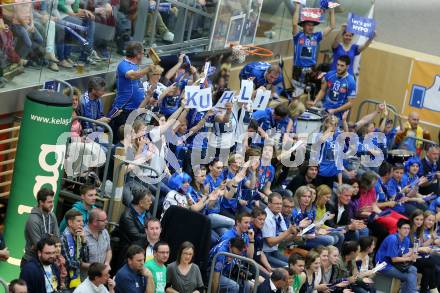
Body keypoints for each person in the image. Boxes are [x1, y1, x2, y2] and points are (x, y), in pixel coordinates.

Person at [109, 41, 150, 142]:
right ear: (137, 54)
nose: (143, 56)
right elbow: (132, 75)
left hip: (135, 110)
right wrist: (149, 68)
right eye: (142, 53)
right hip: (124, 110)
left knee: (130, 141)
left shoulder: (136, 66)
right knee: (119, 140)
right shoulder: (123, 64)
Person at [292, 1, 335, 83]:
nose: (311, 27)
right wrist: (297, 6)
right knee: (298, 93)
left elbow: (332, 26)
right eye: (308, 24)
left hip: (312, 69)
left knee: (313, 90)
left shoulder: (317, 36)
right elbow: (294, 24)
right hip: (298, 68)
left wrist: (332, 10)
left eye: (312, 25)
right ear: (303, 26)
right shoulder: (298, 36)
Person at [375, 218, 417, 293]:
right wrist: (409, 258)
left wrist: (411, 253)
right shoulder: (393, 239)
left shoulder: (406, 239)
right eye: (404, 228)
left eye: (408, 228)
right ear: (398, 229)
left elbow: (403, 255)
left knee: (413, 269)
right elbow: (394, 259)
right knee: (409, 277)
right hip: (383, 265)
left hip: (394, 264)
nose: (407, 230)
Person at [115, 187, 152, 270]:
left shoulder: (147, 214)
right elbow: (136, 237)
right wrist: (151, 235)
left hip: (142, 252)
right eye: (148, 200)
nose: (151, 202)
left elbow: (152, 228)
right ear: (140, 203)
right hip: (128, 255)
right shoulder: (127, 216)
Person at [309, 55, 356, 121]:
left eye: (342, 66)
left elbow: (350, 103)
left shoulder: (351, 82)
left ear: (347, 67)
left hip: (338, 116)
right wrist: (315, 102)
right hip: (325, 111)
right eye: (338, 64)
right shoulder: (329, 75)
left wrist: (335, 110)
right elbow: (323, 90)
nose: (339, 67)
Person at [23, 188, 59, 265]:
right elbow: (39, 246)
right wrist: (51, 238)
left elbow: (57, 239)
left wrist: (48, 239)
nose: (52, 204)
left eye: (52, 201)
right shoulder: (33, 220)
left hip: (48, 261)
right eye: (49, 202)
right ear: (41, 202)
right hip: (31, 261)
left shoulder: (52, 216)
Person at [262, 192, 300, 268]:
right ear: (269, 204)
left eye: (280, 204)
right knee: (290, 267)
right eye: (276, 204)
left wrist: (295, 234)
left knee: (296, 263)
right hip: (265, 253)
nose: (279, 206)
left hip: (274, 251)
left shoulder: (278, 215)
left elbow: (284, 238)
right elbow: (271, 243)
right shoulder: (266, 217)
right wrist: (289, 231)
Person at [61, 209, 89, 290]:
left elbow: (86, 259)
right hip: (65, 282)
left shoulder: (79, 236)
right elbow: (68, 263)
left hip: (76, 280)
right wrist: (80, 263)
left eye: (82, 221)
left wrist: (84, 241)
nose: (82, 224)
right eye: (79, 221)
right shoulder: (63, 239)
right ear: (70, 223)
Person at [82, 209, 112, 277]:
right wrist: (96, 268)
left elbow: (108, 250)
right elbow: (79, 263)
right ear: (95, 222)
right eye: (103, 220)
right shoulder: (82, 236)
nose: (106, 222)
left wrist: (107, 263)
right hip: (86, 278)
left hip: (101, 277)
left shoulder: (105, 232)